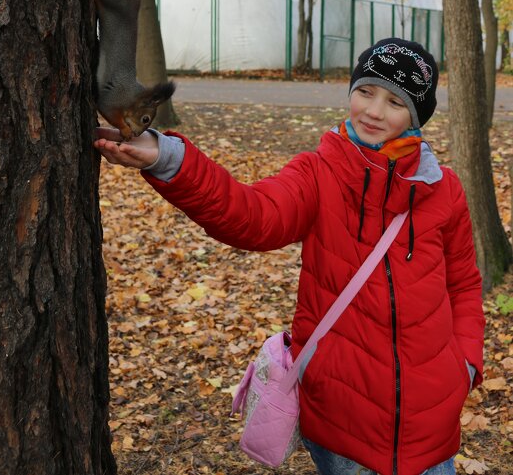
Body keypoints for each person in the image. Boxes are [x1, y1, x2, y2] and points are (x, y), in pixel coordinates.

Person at [95, 38, 485, 475]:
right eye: (365, 91)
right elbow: (253, 216)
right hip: (342, 426)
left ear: (416, 117)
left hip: (431, 425)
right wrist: (168, 157)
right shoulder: (319, 173)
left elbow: (464, 284)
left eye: (395, 101)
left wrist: (465, 367)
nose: (374, 111)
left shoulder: (443, 189)